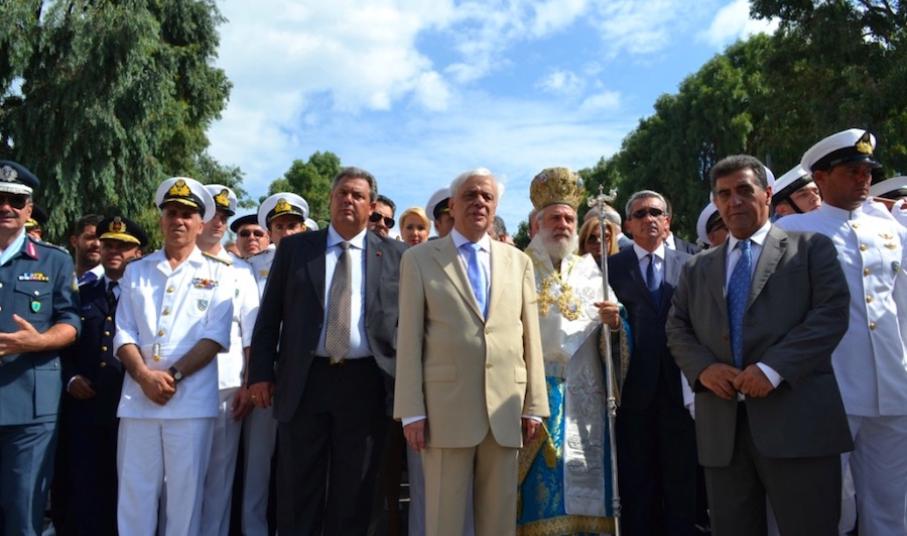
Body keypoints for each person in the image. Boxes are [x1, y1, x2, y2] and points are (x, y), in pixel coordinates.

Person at [668, 154, 853, 535]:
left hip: (798, 424)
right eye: (723, 194)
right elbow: (677, 327)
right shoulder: (697, 267)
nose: (734, 201)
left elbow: (830, 315)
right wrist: (704, 369)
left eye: (744, 190)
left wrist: (772, 369)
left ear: (767, 194)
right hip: (723, 433)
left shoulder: (810, 249)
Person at [248, 167, 405, 534]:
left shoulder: (397, 255)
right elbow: (270, 316)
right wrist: (260, 373)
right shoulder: (296, 249)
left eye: (357, 195)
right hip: (305, 381)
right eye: (342, 194)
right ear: (330, 200)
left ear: (371, 207)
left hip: (367, 383)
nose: (348, 200)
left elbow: (407, 324)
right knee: (298, 486)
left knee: (356, 489)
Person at [394, 167, 549, 536]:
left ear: (495, 208)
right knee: (444, 519)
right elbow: (410, 338)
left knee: (499, 519)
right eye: (470, 195)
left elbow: (530, 336)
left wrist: (534, 404)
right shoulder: (419, 259)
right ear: (452, 205)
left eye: (487, 197)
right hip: (444, 409)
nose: (479, 202)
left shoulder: (518, 261)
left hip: (505, 407)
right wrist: (411, 410)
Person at [776, 129, 907, 536]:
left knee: (892, 505)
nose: (864, 179)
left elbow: (901, 305)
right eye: (852, 171)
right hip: (830, 388)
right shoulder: (794, 231)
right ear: (820, 177)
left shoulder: (889, 230)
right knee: (828, 505)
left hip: (893, 385)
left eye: (868, 171)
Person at [114, 177, 234, 536]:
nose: (178, 220)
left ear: (201, 224)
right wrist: (144, 376)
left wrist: (172, 377)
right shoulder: (137, 270)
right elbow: (124, 332)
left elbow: (215, 336)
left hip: (190, 401)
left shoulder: (219, 272)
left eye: (187, 215)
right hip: (138, 399)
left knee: (186, 500)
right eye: (171, 213)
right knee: (134, 496)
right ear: (161, 219)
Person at [517, 167, 624, 534]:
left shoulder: (591, 271)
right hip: (535, 398)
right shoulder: (519, 268)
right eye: (554, 218)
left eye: (568, 218)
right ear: (537, 224)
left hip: (586, 399)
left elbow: (617, 331)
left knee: (588, 492)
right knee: (539, 494)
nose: (562, 225)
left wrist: (615, 324)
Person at [606, 190, 700, 535]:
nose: (649, 219)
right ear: (628, 225)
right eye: (640, 214)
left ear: (667, 221)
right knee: (638, 483)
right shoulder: (609, 269)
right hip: (633, 392)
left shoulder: (692, 264)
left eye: (656, 212)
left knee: (682, 479)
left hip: (682, 389)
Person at [0, 160, 80, 535]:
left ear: (29, 209)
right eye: (0, 199)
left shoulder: (55, 260)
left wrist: (38, 341)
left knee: (24, 512)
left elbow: (71, 322)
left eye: (16, 200)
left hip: (30, 409)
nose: (6, 207)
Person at [59, 215, 146, 535]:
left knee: (129, 487)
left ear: (137, 252)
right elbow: (62, 345)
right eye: (108, 244)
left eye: (123, 246)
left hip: (132, 404)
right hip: (86, 405)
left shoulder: (147, 294)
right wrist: (70, 378)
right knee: (85, 486)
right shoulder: (81, 291)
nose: (113, 251)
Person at [241, 191, 309, 536]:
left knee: (300, 461)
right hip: (264, 374)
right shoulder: (251, 267)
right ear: (269, 232)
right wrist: (254, 375)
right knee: (258, 461)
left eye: (293, 225)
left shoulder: (318, 260)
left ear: (304, 228)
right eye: (279, 226)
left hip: (305, 374)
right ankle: (254, 529)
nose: (286, 232)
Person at [198, 186, 260, 536]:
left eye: (224, 217)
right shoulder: (172, 263)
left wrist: (249, 382)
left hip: (225, 384)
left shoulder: (241, 270)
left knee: (219, 480)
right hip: (178, 386)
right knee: (174, 480)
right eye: (213, 214)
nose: (219, 222)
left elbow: (251, 334)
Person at [69, 214, 104, 285]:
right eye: (90, 238)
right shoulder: (61, 277)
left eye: (102, 239)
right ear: (74, 241)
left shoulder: (115, 283)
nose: (97, 244)